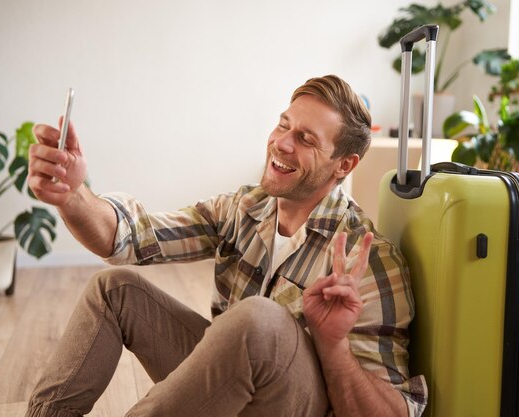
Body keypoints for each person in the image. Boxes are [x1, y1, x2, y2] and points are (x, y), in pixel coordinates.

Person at [25, 75, 427, 417]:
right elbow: (134, 237)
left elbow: (395, 412)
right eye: (283, 125)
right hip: (232, 395)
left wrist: (332, 344)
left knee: (258, 320)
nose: (282, 143)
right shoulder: (242, 208)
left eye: (305, 139)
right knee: (113, 290)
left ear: (344, 165)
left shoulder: (369, 258)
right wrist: (73, 195)